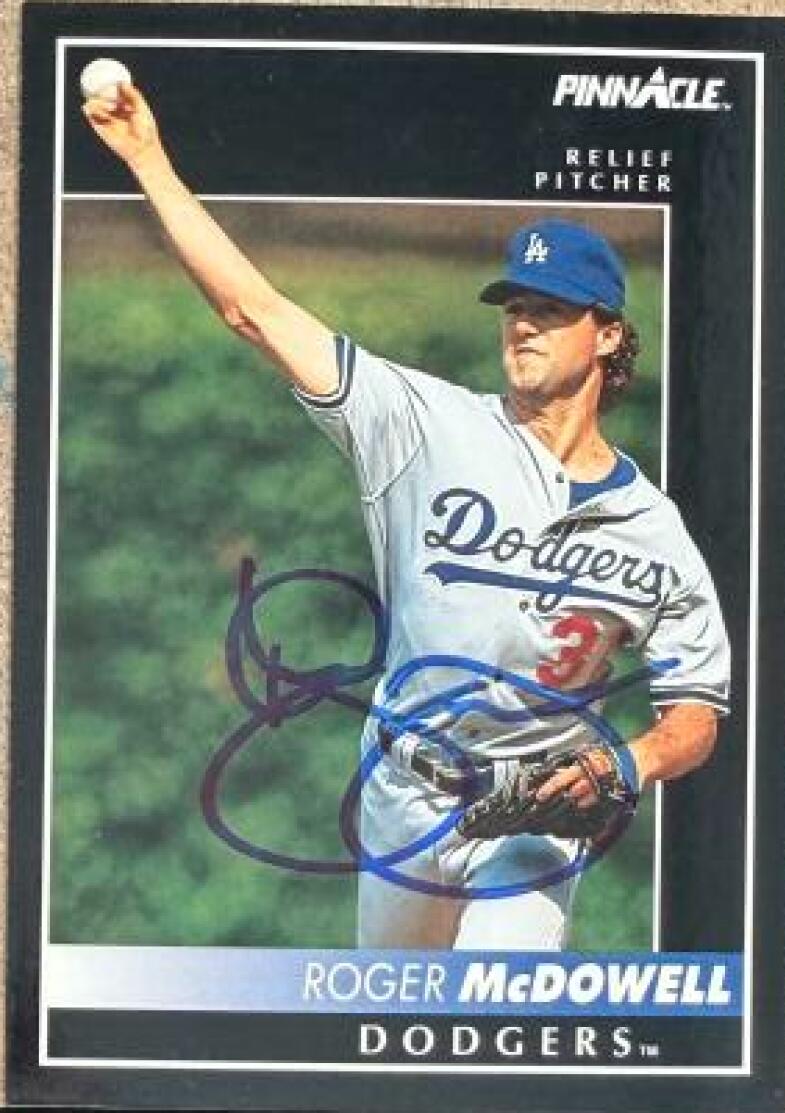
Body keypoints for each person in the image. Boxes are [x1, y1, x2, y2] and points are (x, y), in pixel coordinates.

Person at [83, 83, 730, 950]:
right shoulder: (421, 424)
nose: (523, 326)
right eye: (515, 308)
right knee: (394, 1019)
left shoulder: (652, 526)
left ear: (608, 334)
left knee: (497, 1004)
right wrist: (147, 160)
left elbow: (697, 711)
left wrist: (628, 760)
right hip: (404, 790)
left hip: (535, 814)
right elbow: (256, 313)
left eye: (550, 310)